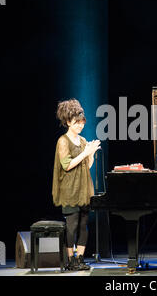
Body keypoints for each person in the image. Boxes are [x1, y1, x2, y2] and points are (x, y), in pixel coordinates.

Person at [52, 99, 100, 271]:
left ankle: (80, 258)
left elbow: (86, 166)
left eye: (81, 122)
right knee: (71, 226)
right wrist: (85, 153)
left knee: (83, 225)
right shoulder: (63, 141)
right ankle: (70, 259)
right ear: (67, 122)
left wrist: (91, 153)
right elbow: (67, 165)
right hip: (70, 190)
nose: (80, 126)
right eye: (76, 123)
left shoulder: (82, 140)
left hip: (83, 189)